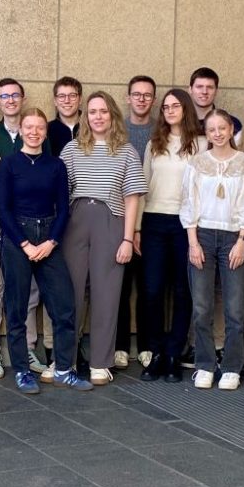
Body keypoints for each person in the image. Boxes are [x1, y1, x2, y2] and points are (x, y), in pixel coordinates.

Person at [0, 108, 86, 394]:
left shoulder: (56, 165)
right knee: (17, 308)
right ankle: (22, 371)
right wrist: (25, 244)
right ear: (21, 130)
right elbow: (3, 209)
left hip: (49, 237)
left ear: (46, 133)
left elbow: (63, 209)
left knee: (64, 306)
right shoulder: (8, 164)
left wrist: (51, 242)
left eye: (39, 128)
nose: (34, 132)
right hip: (17, 238)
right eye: (29, 127)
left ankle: (63, 369)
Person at [61, 92, 145, 386]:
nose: (98, 117)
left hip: (111, 222)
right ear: (86, 117)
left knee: (106, 294)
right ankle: (66, 360)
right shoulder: (71, 149)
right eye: (93, 112)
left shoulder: (126, 151)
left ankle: (100, 362)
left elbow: (132, 198)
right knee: (70, 293)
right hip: (75, 221)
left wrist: (127, 239)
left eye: (104, 111)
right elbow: (61, 192)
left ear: (113, 116)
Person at [181, 109, 244, 390]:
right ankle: (204, 365)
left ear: (231, 130)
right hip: (202, 235)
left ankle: (231, 367)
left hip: (233, 237)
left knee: (235, 309)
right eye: (211, 129)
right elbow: (188, 201)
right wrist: (193, 243)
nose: (217, 133)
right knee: (202, 307)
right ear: (207, 133)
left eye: (222, 128)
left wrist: (242, 240)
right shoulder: (197, 162)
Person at [137, 89, 206, 382]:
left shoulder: (201, 144)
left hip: (185, 224)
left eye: (175, 105)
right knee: (152, 290)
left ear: (186, 108)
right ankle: (156, 353)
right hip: (153, 221)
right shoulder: (154, 143)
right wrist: (137, 228)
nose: (169, 110)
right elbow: (143, 186)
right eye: (165, 107)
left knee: (182, 291)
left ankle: (175, 354)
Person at [0, 79, 47, 378]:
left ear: (22, 99)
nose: (10, 100)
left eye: (15, 95)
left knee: (30, 292)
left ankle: (28, 348)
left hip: (30, 230)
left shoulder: (36, 134)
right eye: (4, 96)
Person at [115, 75, 157, 369]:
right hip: (120, 218)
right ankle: (119, 345)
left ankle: (146, 345)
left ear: (153, 100)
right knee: (119, 285)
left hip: (152, 218)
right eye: (137, 94)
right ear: (128, 98)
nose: (141, 99)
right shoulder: (117, 131)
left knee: (148, 287)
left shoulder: (160, 131)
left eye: (147, 95)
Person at [189, 67, 241, 134]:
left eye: (209, 87)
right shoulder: (179, 122)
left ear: (216, 91)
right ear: (190, 89)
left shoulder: (232, 124)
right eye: (199, 87)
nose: (204, 92)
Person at [47, 76, 82, 157]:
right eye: (61, 96)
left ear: (80, 99)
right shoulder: (47, 130)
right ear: (55, 101)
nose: (67, 101)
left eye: (72, 95)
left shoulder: (92, 127)